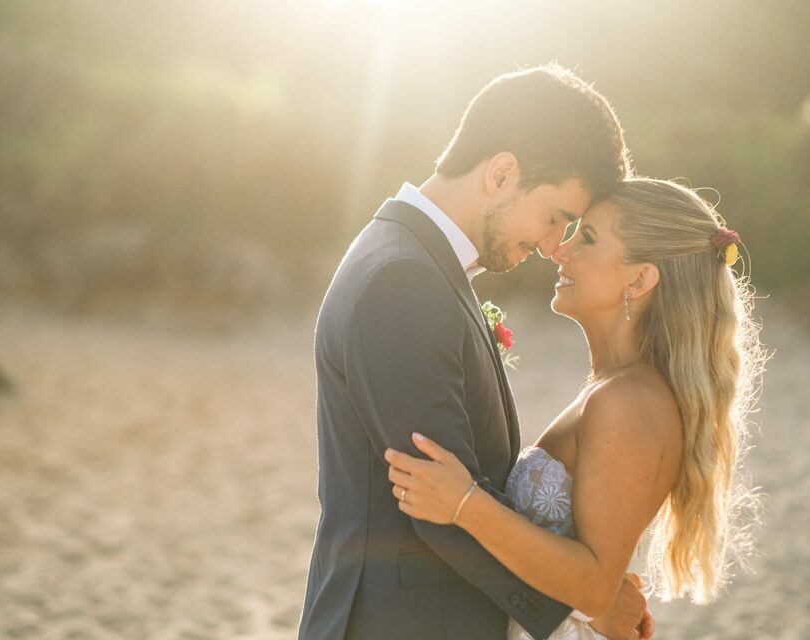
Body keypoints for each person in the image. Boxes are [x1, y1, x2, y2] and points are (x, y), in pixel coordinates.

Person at [298, 64, 655, 640]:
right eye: (556, 218)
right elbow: (435, 502)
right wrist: (581, 604)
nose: (549, 246)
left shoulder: (409, 258)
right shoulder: (403, 281)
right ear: (502, 173)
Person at [385, 178, 766, 640]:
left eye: (587, 238)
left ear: (640, 278)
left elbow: (593, 586)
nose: (559, 252)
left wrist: (465, 504)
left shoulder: (626, 402)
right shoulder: (615, 388)